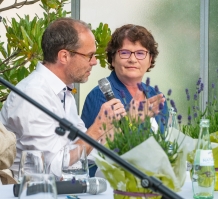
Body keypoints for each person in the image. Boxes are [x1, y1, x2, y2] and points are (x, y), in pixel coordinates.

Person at [0, 17, 126, 180]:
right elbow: (52, 169)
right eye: (90, 55)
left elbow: (81, 150)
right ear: (64, 56)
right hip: (34, 196)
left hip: (65, 192)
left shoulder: (63, 91)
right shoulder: (34, 94)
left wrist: (111, 134)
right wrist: (97, 129)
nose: (94, 62)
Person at [81, 24, 167, 176]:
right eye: (125, 53)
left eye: (140, 53)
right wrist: (132, 120)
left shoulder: (155, 95)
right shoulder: (100, 95)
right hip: (111, 182)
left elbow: (166, 143)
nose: (133, 59)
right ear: (112, 59)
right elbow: (99, 152)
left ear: (150, 59)